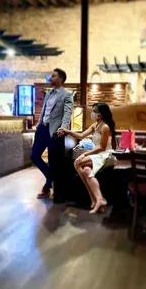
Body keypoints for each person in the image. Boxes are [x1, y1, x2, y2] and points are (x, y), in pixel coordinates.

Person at [59, 103, 116, 214]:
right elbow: (81, 136)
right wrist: (67, 131)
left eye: (94, 111)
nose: (92, 113)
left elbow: (102, 147)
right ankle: (99, 199)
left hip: (105, 154)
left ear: (99, 115)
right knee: (86, 170)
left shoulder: (105, 127)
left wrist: (84, 154)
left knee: (77, 162)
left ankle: (92, 197)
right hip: (97, 154)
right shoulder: (95, 125)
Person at [31, 68, 73, 199]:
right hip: (42, 129)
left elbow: (67, 113)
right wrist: (38, 125)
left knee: (53, 161)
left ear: (60, 79)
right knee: (34, 156)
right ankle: (50, 178)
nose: (50, 78)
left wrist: (63, 127)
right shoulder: (48, 94)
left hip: (55, 131)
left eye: (53, 76)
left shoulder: (66, 95)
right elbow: (44, 111)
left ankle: (49, 187)